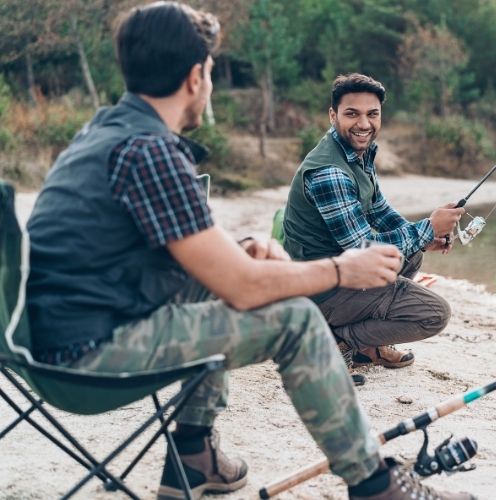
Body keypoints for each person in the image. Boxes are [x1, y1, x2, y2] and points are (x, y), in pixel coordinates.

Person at [24, 3, 473, 500]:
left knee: (221, 280)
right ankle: (375, 484)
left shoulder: (104, 134)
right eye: (212, 71)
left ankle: (194, 454)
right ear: (196, 77)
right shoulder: (149, 151)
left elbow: (168, 261)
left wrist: (239, 251)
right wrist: (340, 268)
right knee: (295, 322)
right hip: (84, 359)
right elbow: (240, 286)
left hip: (48, 341)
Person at [283, 73, 465, 371]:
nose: (364, 124)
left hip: (336, 272)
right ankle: (339, 337)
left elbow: (381, 211)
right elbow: (361, 248)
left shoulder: (356, 154)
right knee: (435, 314)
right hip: (319, 288)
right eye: (352, 114)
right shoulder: (331, 171)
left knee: (412, 250)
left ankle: (368, 348)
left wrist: (424, 235)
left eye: (372, 114)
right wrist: (429, 227)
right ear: (333, 115)